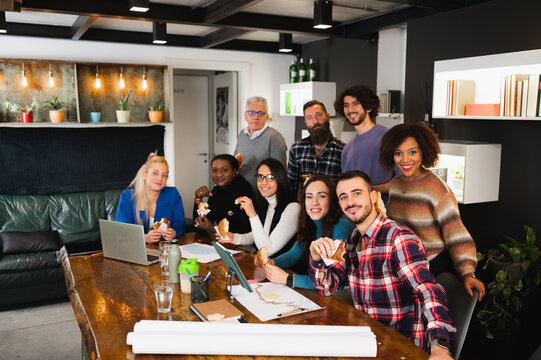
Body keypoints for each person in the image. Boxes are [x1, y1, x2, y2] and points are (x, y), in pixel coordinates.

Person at [309, 170, 455, 358]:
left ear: (373, 196)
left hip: (402, 346)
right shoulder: (353, 240)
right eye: (343, 197)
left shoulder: (397, 238)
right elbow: (327, 287)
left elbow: (427, 290)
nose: (350, 201)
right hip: (371, 341)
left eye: (357, 193)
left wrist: (440, 348)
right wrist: (317, 259)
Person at [379, 123, 486, 300]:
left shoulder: (436, 188)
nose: (405, 159)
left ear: (424, 151)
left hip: (432, 267)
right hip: (404, 266)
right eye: (398, 153)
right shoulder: (396, 184)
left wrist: (468, 274)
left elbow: (457, 234)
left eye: (412, 152)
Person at [259, 175, 354, 289]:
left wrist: (287, 278)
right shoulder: (310, 221)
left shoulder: (342, 227)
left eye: (322, 196)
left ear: (332, 200)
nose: (314, 202)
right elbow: (295, 254)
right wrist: (272, 262)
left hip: (344, 297)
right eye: (309, 197)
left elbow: (333, 282)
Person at [218, 158, 300, 258]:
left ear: (280, 179)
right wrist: (234, 238)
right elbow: (257, 235)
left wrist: (252, 215)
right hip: (266, 267)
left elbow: (267, 250)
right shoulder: (266, 203)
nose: (263, 182)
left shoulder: (293, 208)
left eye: (270, 177)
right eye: (260, 177)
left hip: (286, 270)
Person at [335, 85, 398, 203]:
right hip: (355, 217)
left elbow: (404, 183)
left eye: (356, 104)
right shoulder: (347, 150)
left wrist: (370, 190)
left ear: (368, 107)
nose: (350, 110)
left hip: (385, 216)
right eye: (346, 105)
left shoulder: (387, 137)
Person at [116, 153, 186, 243]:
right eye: (155, 173)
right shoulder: (127, 197)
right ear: (144, 175)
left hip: (164, 247)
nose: (160, 178)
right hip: (135, 248)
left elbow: (180, 223)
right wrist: (144, 238)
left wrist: (174, 232)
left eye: (164, 175)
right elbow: (122, 230)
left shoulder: (173, 194)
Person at [287, 100, 345, 196]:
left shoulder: (342, 150)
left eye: (319, 115)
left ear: (327, 117)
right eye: (309, 118)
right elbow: (291, 186)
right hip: (305, 207)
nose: (315, 121)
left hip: (332, 208)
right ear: (305, 122)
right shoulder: (297, 148)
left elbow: (345, 188)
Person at [234, 96, 287, 191]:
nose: (256, 117)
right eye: (251, 113)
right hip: (241, 191)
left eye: (261, 113)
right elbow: (235, 163)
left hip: (263, 196)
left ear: (266, 117)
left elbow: (280, 173)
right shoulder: (242, 134)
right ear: (245, 116)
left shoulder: (274, 137)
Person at [192, 154, 254, 234]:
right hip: (223, 242)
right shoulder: (216, 192)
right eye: (215, 170)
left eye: (224, 170)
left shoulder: (244, 193)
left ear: (235, 171)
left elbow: (244, 233)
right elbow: (199, 226)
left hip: (242, 245)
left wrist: (213, 229)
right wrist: (198, 200)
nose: (219, 174)